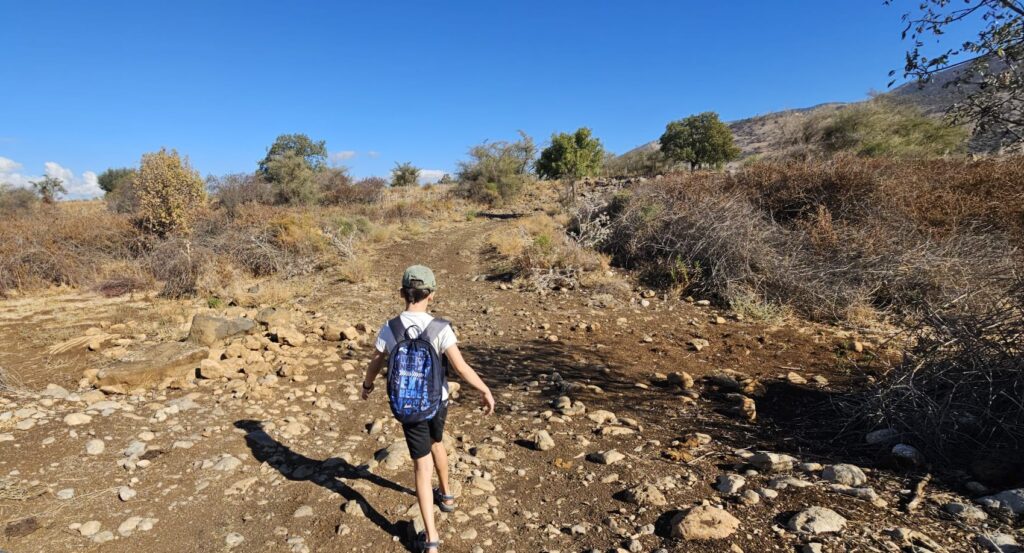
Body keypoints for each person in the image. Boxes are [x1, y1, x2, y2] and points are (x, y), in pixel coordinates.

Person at [360, 264, 495, 552]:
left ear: (402, 294)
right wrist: (484, 389)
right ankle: (446, 495)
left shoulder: (391, 327)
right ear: (431, 295)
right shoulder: (440, 328)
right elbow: (460, 367)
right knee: (438, 442)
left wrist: (367, 386)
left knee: (422, 467)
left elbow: (376, 360)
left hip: (409, 405)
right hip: (438, 402)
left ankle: (431, 539)